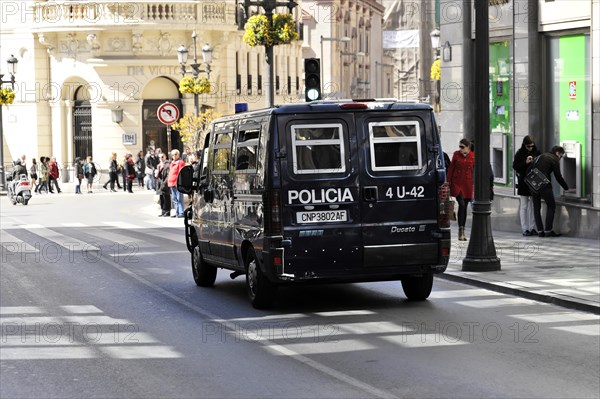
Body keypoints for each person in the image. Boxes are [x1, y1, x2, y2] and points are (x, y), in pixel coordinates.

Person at [531, 146, 569, 237]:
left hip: (533, 184)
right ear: (557, 153)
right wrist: (566, 187)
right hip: (544, 185)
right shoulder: (554, 159)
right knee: (551, 206)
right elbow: (558, 176)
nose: (560, 158)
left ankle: (540, 231)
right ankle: (548, 230)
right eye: (561, 155)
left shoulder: (541, 156)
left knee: (536, 207)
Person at [513, 136, 541, 236]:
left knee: (533, 205)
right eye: (528, 146)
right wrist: (525, 162)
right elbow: (515, 166)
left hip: (534, 181)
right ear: (525, 145)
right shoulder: (520, 153)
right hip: (524, 182)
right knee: (524, 205)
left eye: (531, 146)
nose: (530, 148)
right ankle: (525, 229)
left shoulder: (537, 152)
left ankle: (532, 227)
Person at [447, 138, 475, 241]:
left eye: (462, 147)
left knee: (464, 207)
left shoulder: (473, 156)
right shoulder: (456, 154)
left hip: (467, 185)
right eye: (459, 147)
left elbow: (475, 171)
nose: (460, 149)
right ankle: (461, 230)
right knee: (462, 204)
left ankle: (462, 231)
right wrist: (448, 183)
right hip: (457, 183)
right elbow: (451, 168)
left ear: (468, 147)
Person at [167, 149, 186, 218]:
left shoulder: (180, 162)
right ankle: (177, 212)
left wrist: (179, 182)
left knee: (179, 198)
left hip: (177, 183)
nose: (174, 156)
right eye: (173, 155)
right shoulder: (172, 163)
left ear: (178, 155)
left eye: (176, 154)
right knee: (174, 198)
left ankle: (181, 212)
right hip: (172, 182)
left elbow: (181, 173)